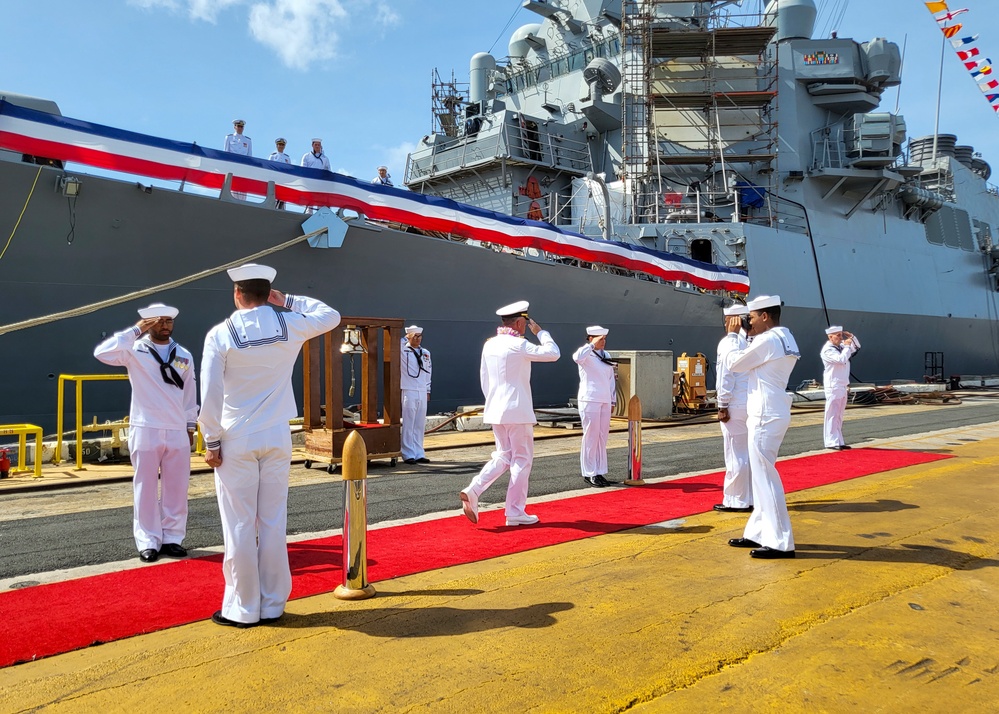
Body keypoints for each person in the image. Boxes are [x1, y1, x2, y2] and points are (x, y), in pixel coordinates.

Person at [199, 263, 341, 628]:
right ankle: (274, 603)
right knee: (274, 521)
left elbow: (211, 393)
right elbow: (330, 315)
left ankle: (242, 608)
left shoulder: (219, 335)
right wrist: (288, 300)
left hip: (236, 438)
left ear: (236, 293)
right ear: (268, 293)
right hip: (277, 434)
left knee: (240, 524)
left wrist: (210, 440)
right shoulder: (290, 324)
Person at [94, 303, 198, 563]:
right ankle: (148, 540)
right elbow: (101, 353)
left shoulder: (183, 354)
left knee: (177, 486)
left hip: (176, 429)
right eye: (159, 321)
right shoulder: (134, 351)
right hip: (146, 427)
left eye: (168, 321)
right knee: (145, 486)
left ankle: (173, 537)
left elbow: (189, 394)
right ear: (148, 323)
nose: (164, 326)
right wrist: (135, 331)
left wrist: (190, 425)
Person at [459, 301, 560, 526]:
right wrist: (541, 332)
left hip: (496, 408)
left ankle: (474, 489)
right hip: (518, 410)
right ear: (519, 322)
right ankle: (514, 511)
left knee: (503, 455)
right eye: (525, 323)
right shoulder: (519, 345)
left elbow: (484, 378)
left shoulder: (490, 345)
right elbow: (554, 353)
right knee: (522, 459)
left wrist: (493, 402)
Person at [726, 295, 800, 559]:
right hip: (775, 410)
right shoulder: (785, 336)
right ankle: (758, 532)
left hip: (764, 414)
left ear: (765, 316)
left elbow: (735, 364)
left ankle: (781, 542)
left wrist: (734, 336)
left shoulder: (768, 339)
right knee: (760, 476)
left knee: (766, 477)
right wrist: (749, 336)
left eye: (753, 317)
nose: (750, 322)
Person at [714, 304, 753, 513]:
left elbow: (725, 376)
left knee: (734, 454)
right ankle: (750, 497)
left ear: (730, 320)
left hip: (734, 405)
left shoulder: (728, 343)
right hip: (750, 403)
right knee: (748, 453)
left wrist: (722, 404)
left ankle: (736, 500)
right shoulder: (750, 341)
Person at [573, 325, 615, 487]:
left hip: (604, 399)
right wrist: (591, 345)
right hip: (589, 399)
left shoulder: (606, 355)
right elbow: (576, 357)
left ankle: (600, 471)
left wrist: (612, 400)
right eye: (600, 339)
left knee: (602, 436)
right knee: (591, 435)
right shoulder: (586, 354)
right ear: (591, 338)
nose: (603, 342)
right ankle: (589, 472)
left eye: (604, 339)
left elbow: (611, 379)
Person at [821, 326, 861, 450]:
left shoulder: (841, 347)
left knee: (839, 415)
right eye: (837, 335)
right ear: (830, 337)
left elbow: (857, 347)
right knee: (832, 414)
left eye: (841, 335)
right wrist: (848, 346)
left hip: (842, 384)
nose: (840, 338)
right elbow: (841, 359)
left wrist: (852, 338)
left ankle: (838, 440)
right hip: (833, 385)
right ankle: (830, 442)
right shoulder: (828, 350)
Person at [400, 324, 432, 464]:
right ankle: (408, 453)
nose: (418, 339)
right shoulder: (403, 350)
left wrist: (428, 389)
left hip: (421, 390)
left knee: (419, 423)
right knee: (409, 422)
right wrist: (406, 337)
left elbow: (429, 372)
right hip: (409, 389)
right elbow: (396, 343)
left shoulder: (425, 352)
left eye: (420, 336)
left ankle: (419, 452)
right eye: (415, 336)